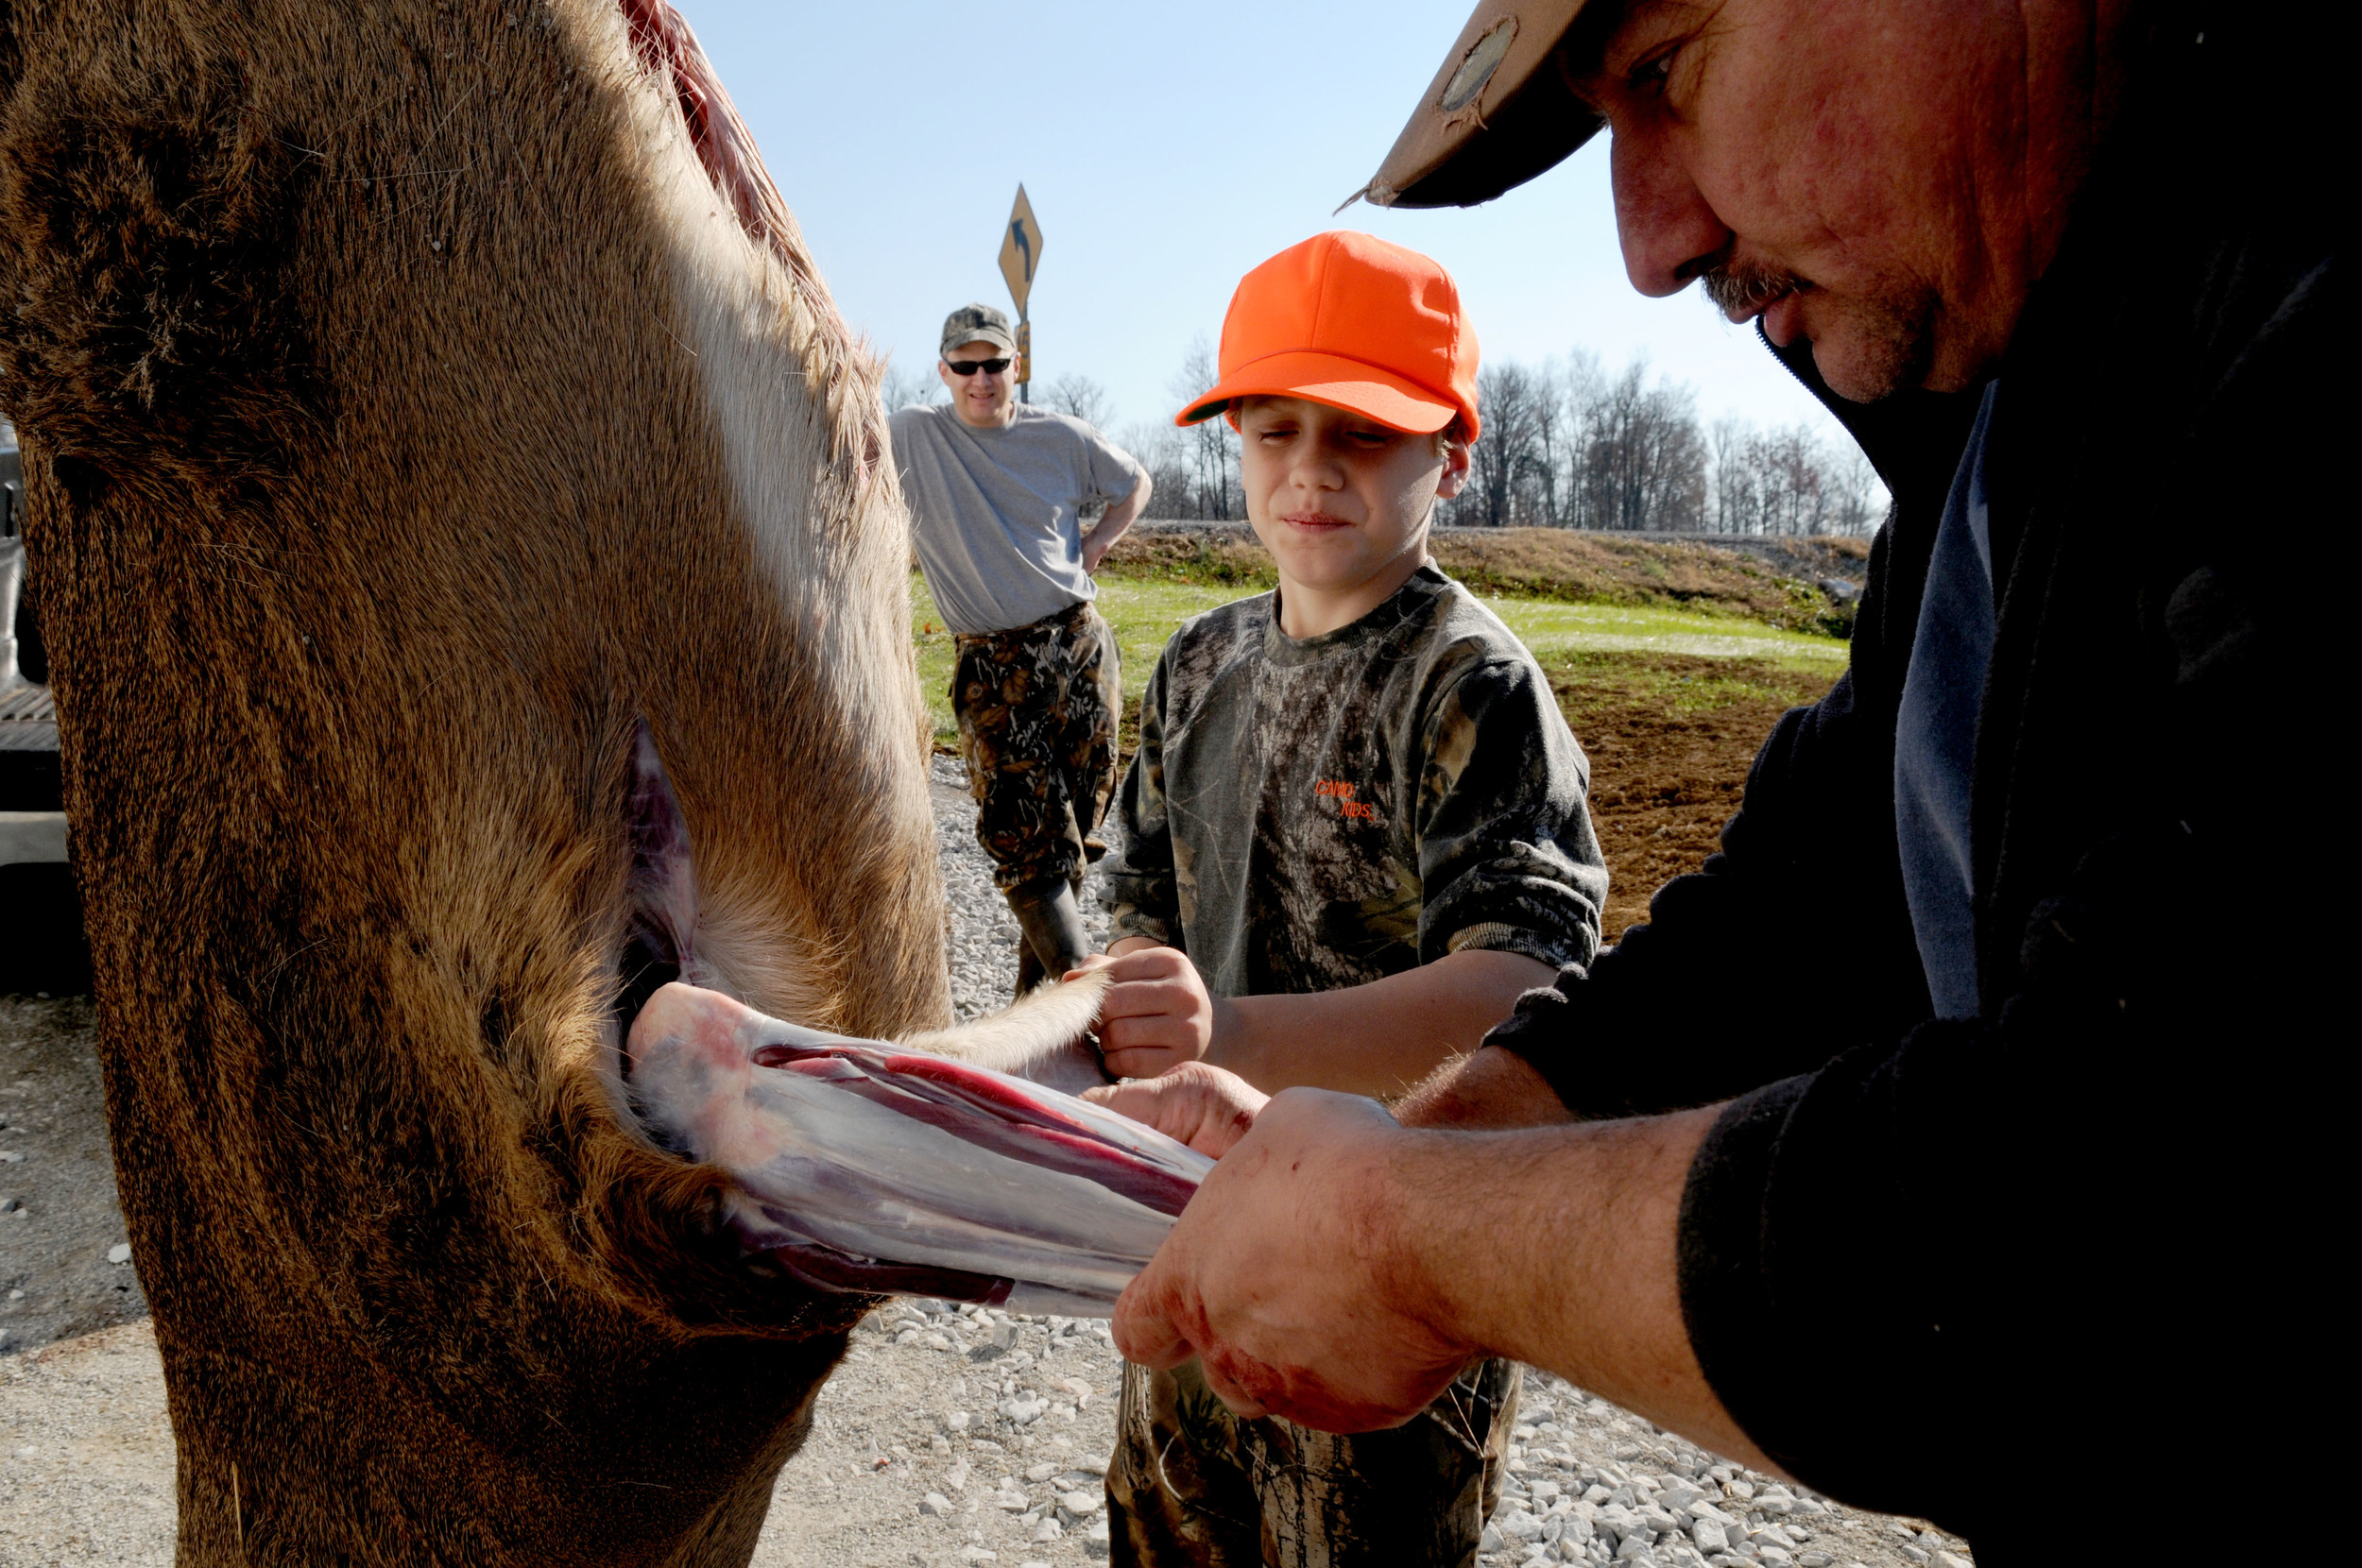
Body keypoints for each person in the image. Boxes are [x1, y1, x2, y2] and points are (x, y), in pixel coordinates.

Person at [1091, 4, 2338, 1562]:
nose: (1651, 241)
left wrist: (1411, 1239)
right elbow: (1809, 916)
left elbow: (2168, 1199)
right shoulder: (2014, 428)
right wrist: (1421, 1152)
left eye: (1670, 71)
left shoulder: (2328, 304)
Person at [1083, 230, 1607, 1567]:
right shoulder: (1199, 663)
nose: (1310, 469)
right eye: (1274, 429)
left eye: (1364, 435)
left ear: (1452, 455)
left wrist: (1227, 1039)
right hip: (1195, 1228)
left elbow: (1525, 992)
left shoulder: (1468, 686)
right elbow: (1132, 914)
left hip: (1387, 1269)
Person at [890, 304, 1155, 993]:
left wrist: (1097, 543)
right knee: (1023, 839)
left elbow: (1135, 484)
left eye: (996, 364)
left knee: (1073, 837)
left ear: (1017, 367)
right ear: (945, 371)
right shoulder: (914, 435)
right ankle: (1086, 1006)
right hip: (992, 664)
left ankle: (1032, 1011)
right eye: (967, 366)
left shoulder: (1062, 438)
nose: (983, 379)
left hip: (1079, 650)